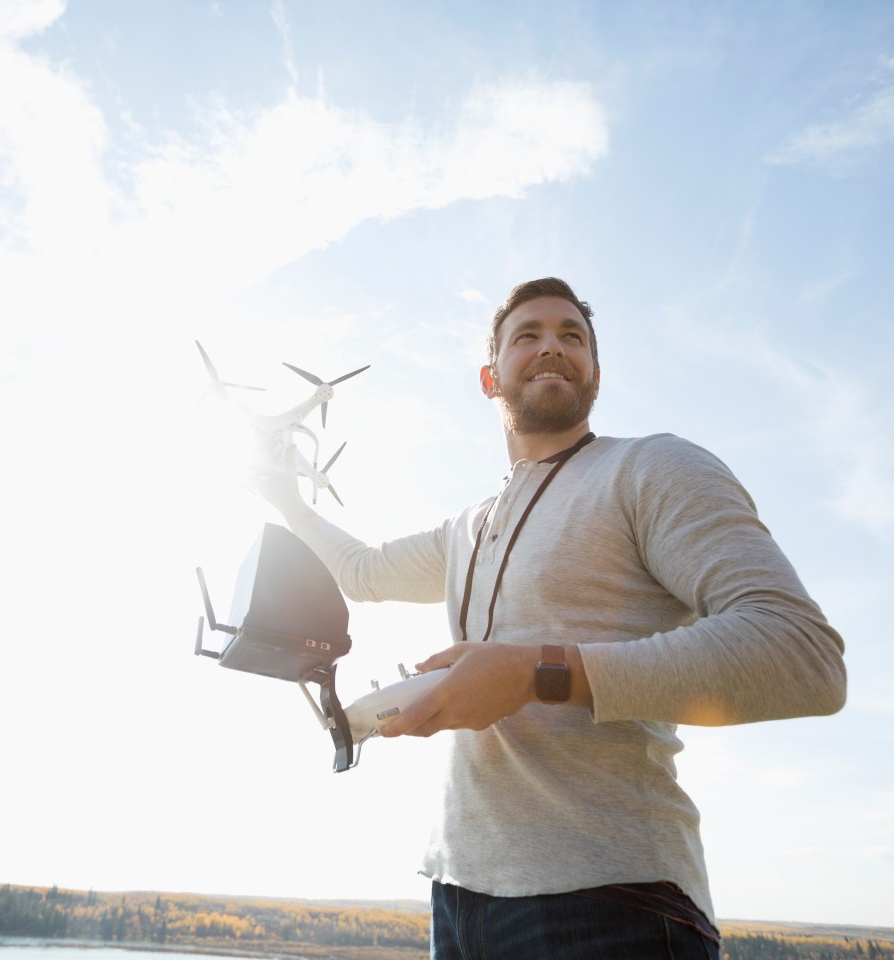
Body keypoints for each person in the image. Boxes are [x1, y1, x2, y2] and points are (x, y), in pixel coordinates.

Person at [253, 277, 846, 960]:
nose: (552, 347)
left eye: (572, 336)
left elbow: (803, 655)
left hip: (612, 902)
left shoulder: (652, 468)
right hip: (458, 892)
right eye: (527, 335)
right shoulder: (469, 525)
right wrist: (285, 499)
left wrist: (541, 672)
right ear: (489, 377)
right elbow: (363, 572)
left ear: (595, 373)